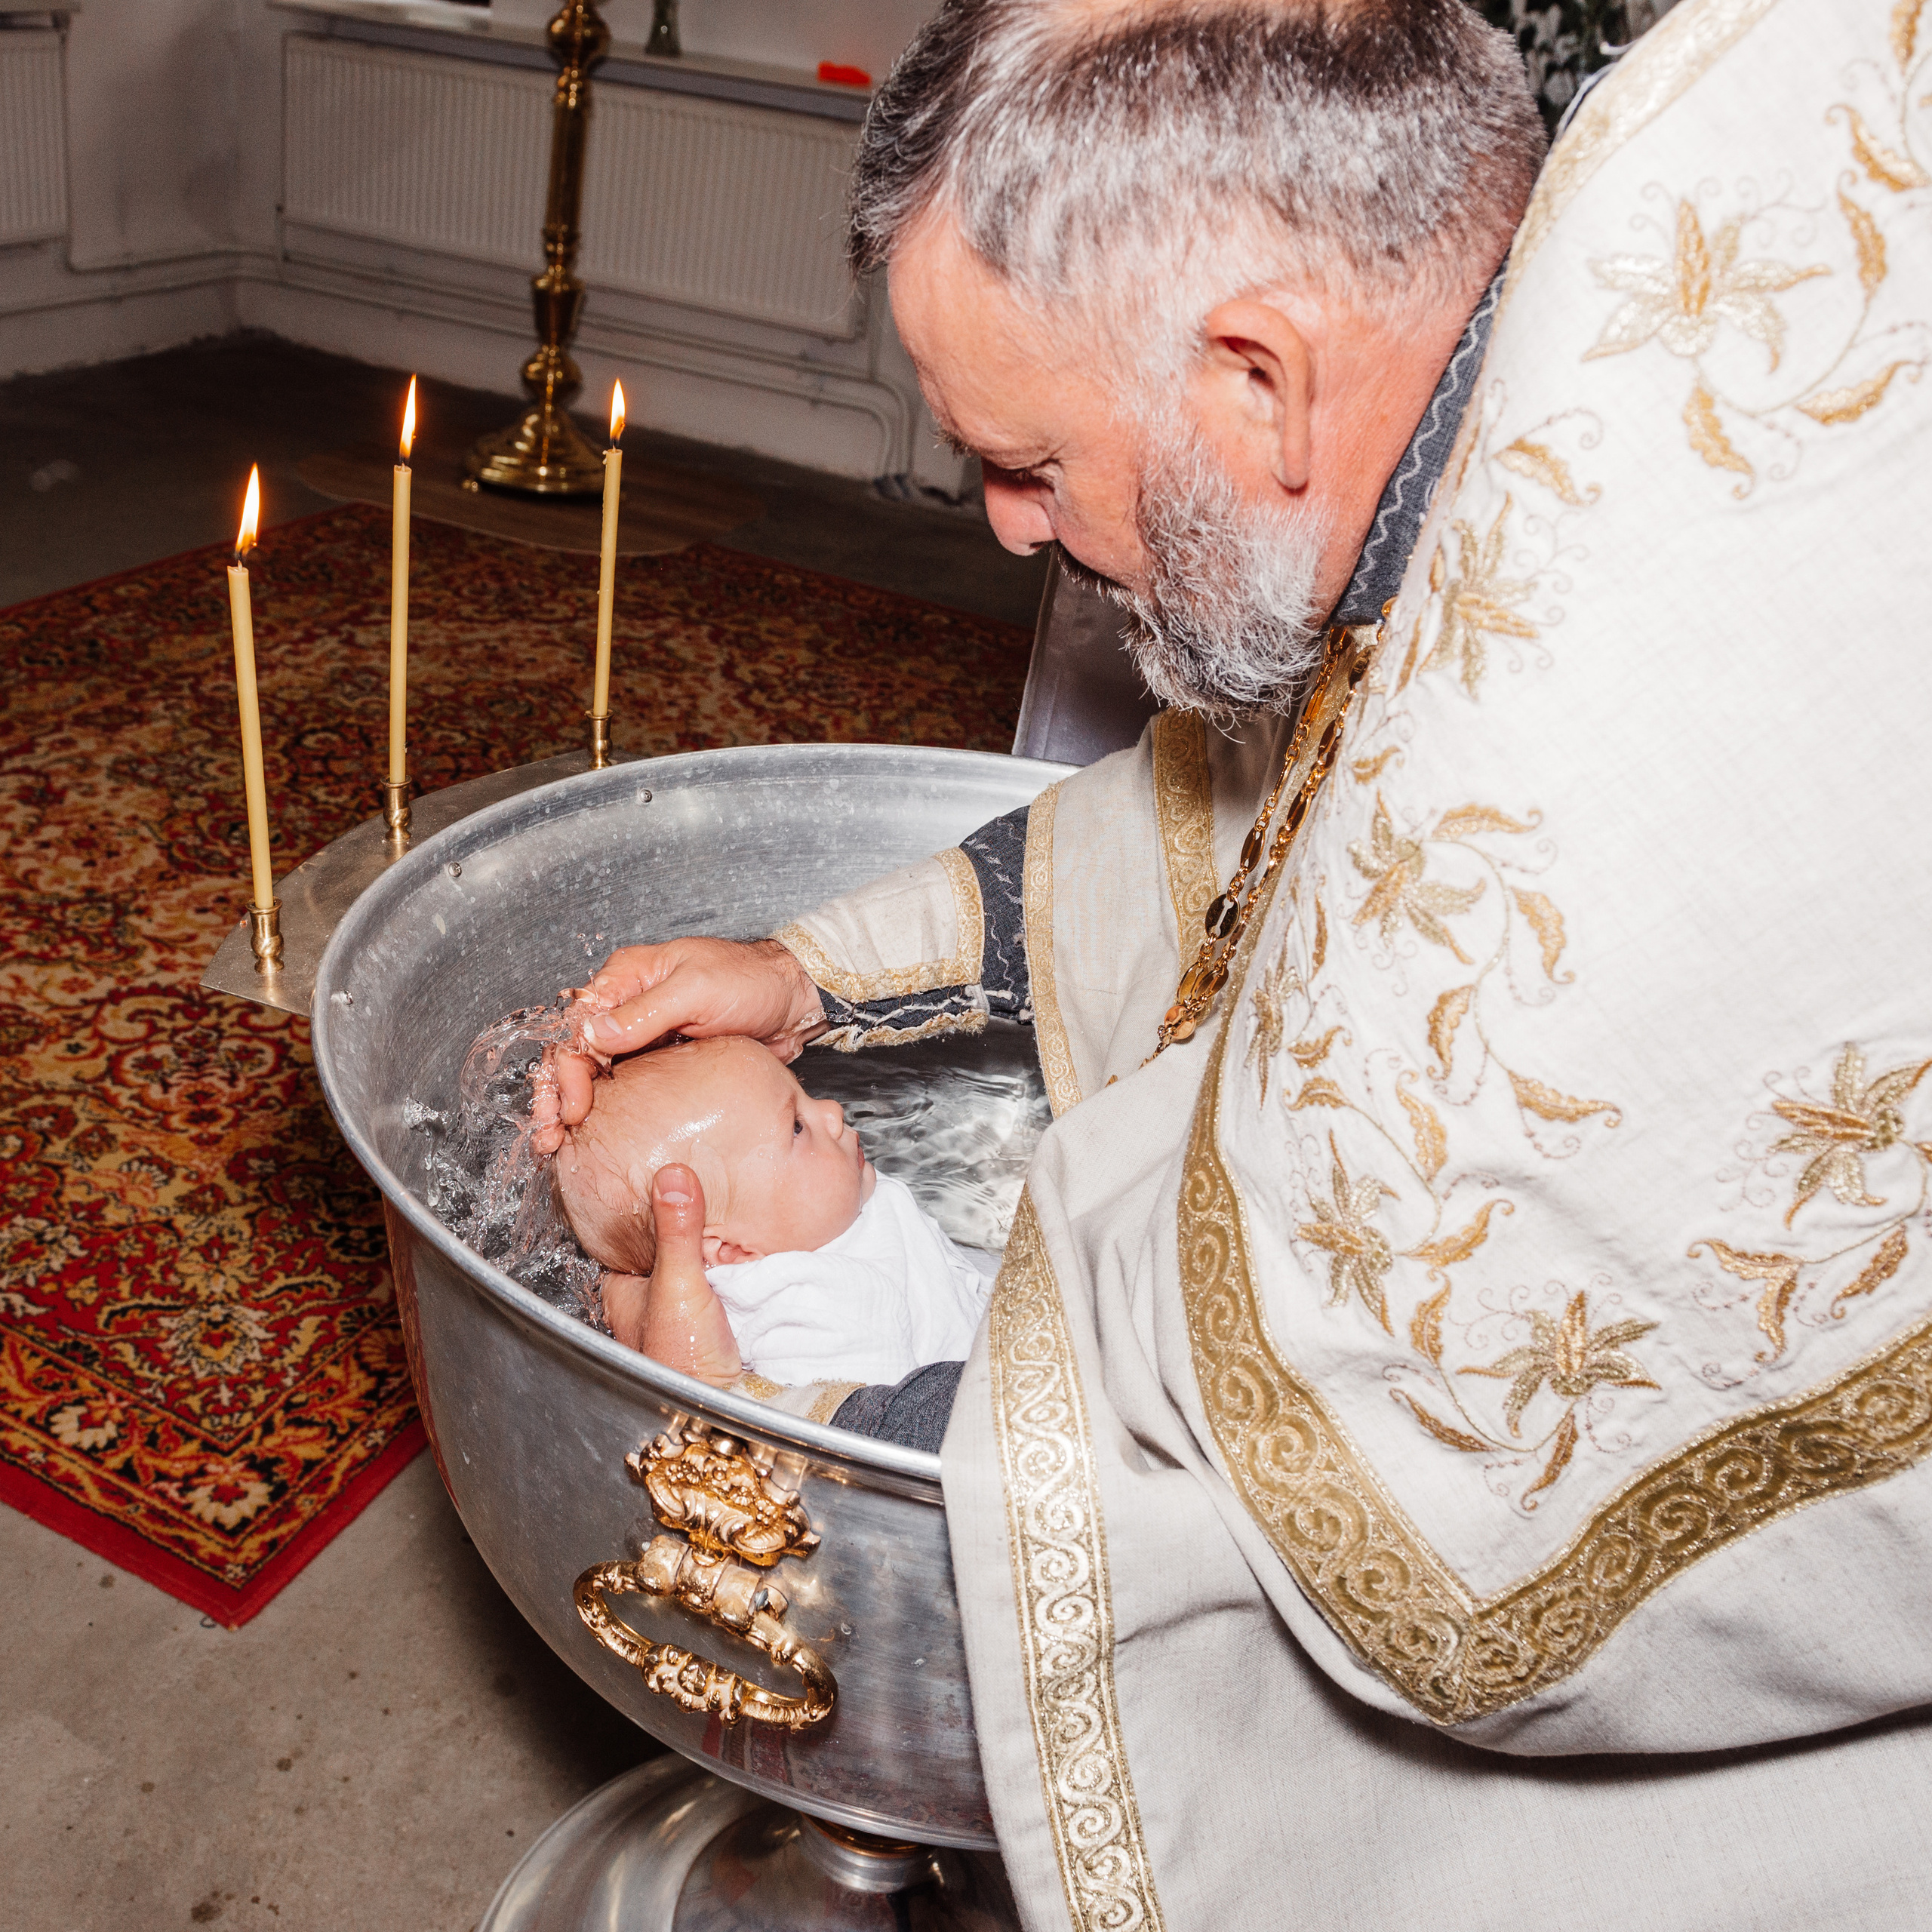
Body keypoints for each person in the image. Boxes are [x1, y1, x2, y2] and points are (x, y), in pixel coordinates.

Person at [543, 0, 1932, 1923]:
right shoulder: (1528, 437)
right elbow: (1214, 823)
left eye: (1024, 456)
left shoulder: (1577, 806)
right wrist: (807, 978)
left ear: (1264, 378)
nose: (1010, 527)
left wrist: (800, 1438)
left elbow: (1383, 1470)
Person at [551, 1035, 992, 1389]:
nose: (834, 1112)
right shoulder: (811, 1305)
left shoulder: (825, 1215)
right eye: (797, 1126)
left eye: (804, 1094)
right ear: (734, 1251)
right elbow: (857, 1435)